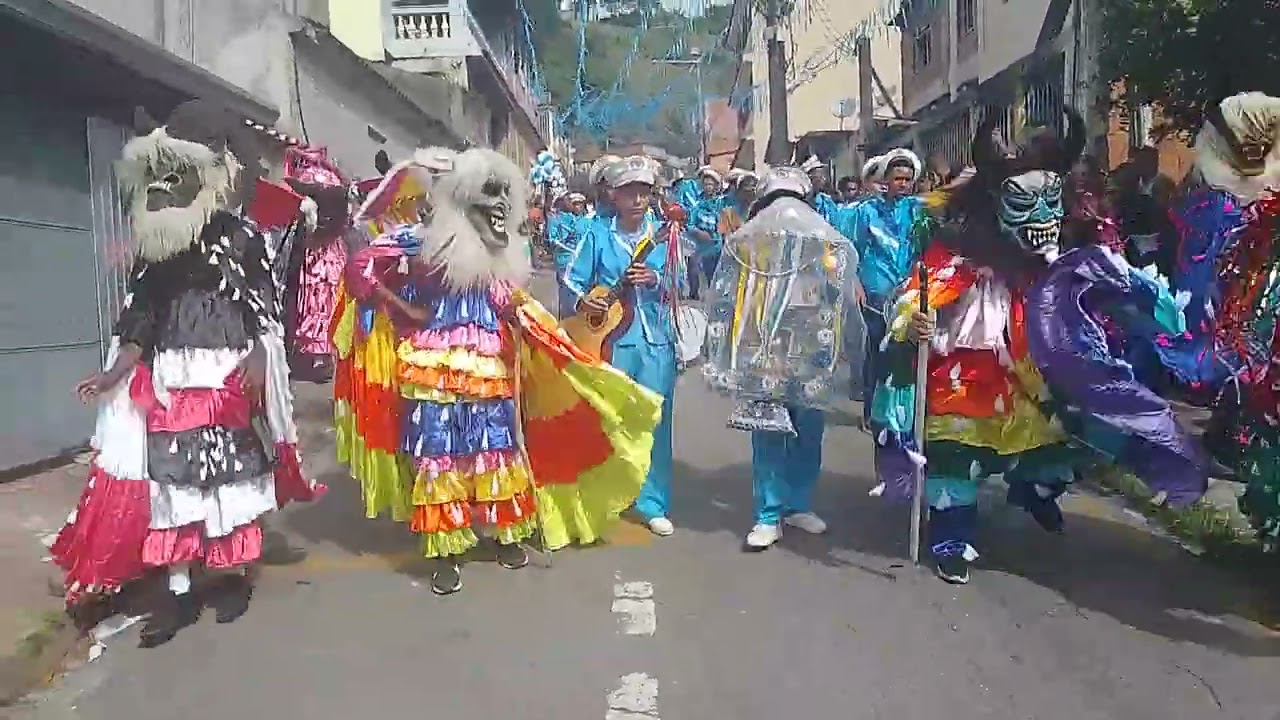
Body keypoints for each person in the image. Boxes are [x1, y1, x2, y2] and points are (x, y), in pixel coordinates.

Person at [868, 112, 1205, 585]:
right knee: (957, 449)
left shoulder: (1068, 260)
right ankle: (951, 535)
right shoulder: (959, 253)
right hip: (973, 367)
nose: (1044, 218)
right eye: (1025, 204)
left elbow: (1121, 289)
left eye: (1051, 202)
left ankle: (1033, 488)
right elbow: (915, 296)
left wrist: (1153, 307)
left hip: (1043, 359)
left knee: (1071, 437)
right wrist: (916, 321)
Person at [51, 102, 326, 647]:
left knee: (230, 477)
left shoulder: (241, 238)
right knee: (174, 483)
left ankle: (231, 579)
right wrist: (115, 373)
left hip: (226, 376)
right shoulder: (154, 251)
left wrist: (256, 359)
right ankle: (178, 592)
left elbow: (263, 312)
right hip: (172, 380)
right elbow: (141, 318)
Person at [340, 148, 664, 594]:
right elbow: (358, 268)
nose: (498, 206)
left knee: (494, 447)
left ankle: (502, 534)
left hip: (489, 362)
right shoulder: (424, 239)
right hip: (433, 364)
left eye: (503, 197)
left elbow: (501, 295)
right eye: (489, 195)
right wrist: (400, 304)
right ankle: (444, 550)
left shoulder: (494, 254)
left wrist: (539, 327)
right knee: (439, 455)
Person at [701, 167, 865, 549]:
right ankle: (768, 514)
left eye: (793, 203)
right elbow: (726, 301)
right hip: (765, 352)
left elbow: (837, 291)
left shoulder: (824, 244)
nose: (785, 211)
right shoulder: (746, 246)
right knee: (768, 432)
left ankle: (799, 503)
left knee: (809, 430)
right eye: (776, 202)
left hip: (809, 349)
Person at [565, 156, 682, 537]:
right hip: (612, 343)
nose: (637, 199)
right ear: (613, 195)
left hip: (656, 339)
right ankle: (608, 496)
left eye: (644, 192)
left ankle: (652, 502)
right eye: (629, 191)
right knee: (608, 419)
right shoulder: (597, 234)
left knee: (654, 422)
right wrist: (584, 301)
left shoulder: (668, 235)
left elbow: (685, 282)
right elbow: (571, 279)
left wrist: (656, 278)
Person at [837, 148, 926, 423]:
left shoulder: (917, 210)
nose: (903, 184)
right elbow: (849, 250)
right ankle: (871, 413)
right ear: (885, 180)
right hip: (874, 296)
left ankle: (902, 414)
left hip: (908, 295)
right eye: (898, 178)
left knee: (904, 355)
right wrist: (854, 283)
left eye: (908, 179)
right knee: (875, 354)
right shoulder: (864, 213)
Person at [280, 146, 350, 382]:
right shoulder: (297, 223)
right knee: (305, 301)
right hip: (306, 253)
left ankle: (321, 356)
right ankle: (301, 354)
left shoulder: (338, 229)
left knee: (324, 301)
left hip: (326, 253)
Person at [686, 167, 725, 299]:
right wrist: (698, 232)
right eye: (706, 184)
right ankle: (694, 295)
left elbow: (726, 223)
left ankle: (715, 298)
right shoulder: (697, 205)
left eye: (711, 184)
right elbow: (689, 225)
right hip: (699, 245)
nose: (708, 187)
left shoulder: (720, 204)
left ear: (716, 186)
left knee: (714, 274)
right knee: (693, 268)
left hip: (716, 245)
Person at [801, 156, 839, 222]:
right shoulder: (801, 202)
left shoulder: (826, 201)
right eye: (819, 176)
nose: (823, 179)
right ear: (809, 178)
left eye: (823, 176)